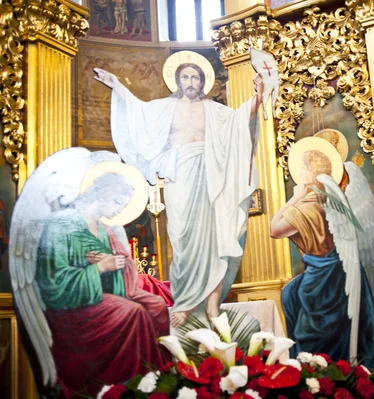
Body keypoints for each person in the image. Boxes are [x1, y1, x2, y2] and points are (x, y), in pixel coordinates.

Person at [93, 64, 265, 327]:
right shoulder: (165, 107)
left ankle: (211, 305)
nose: (191, 81)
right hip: (180, 175)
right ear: (177, 80)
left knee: (214, 239)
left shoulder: (215, 110)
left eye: (195, 76)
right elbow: (139, 110)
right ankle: (184, 303)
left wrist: (260, 94)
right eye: (185, 76)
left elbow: (240, 119)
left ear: (203, 81)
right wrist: (117, 85)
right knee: (183, 238)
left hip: (211, 175)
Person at [36, 173, 169, 397]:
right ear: (102, 195)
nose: (120, 210)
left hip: (107, 293)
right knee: (134, 312)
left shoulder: (105, 229)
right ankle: (129, 386)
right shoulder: (61, 227)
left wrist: (117, 262)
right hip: (74, 304)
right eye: (119, 202)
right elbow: (53, 282)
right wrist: (98, 268)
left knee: (156, 305)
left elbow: (124, 264)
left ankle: (159, 379)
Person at [271, 149, 374, 377]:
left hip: (322, 278)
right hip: (342, 272)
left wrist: (295, 196)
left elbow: (274, 229)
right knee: (290, 292)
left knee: (305, 322)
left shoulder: (306, 206)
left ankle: (318, 375)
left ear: (308, 173)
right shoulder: (336, 201)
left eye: (301, 169)